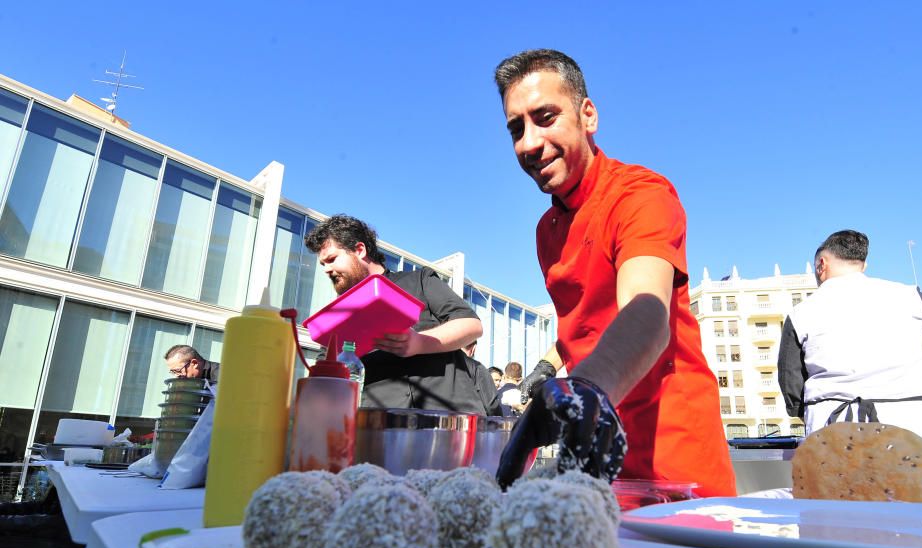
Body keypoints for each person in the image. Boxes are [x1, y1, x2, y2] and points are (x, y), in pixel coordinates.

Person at [492, 49, 736, 496]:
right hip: (593, 456)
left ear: (588, 115)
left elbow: (647, 313)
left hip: (673, 464)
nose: (528, 142)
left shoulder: (640, 195)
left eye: (545, 117)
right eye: (516, 128)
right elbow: (584, 327)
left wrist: (582, 390)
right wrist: (545, 374)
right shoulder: (546, 230)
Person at [778, 230, 922, 459]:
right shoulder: (911, 297)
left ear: (822, 265)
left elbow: (793, 390)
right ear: (863, 265)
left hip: (837, 447)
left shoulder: (801, 314)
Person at [304, 214, 489, 414]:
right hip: (379, 427)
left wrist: (419, 342)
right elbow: (323, 377)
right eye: (323, 264)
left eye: (331, 260)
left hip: (449, 418)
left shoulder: (419, 280)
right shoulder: (336, 316)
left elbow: (471, 325)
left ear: (359, 250)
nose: (326, 269)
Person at [463, 341, 503, 416]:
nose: (498, 383)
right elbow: (491, 406)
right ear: (473, 348)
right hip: (471, 422)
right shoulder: (476, 368)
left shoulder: (441, 365)